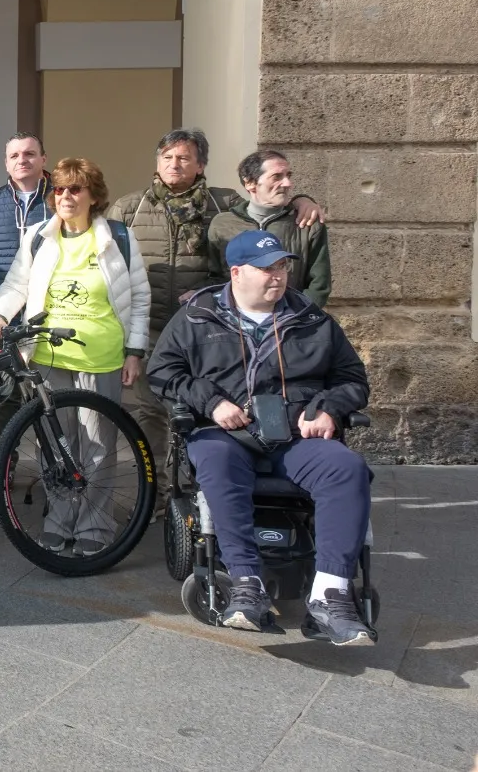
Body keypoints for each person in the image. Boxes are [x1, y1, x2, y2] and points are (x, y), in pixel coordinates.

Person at [147, 229, 374, 645]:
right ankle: (246, 585)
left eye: (283, 267)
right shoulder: (197, 317)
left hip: (296, 436)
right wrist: (211, 401)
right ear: (236, 273)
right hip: (226, 433)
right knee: (214, 460)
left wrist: (328, 408)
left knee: (348, 468)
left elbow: (353, 380)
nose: (278, 276)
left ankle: (331, 595)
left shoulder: (313, 320)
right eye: (266, 268)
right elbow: (162, 372)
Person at [108, 128, 324, 469]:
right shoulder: (128, 208)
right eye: (167, 157)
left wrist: (302, 200)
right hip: (148, 325)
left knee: (204, 406)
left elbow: (265, 203)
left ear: (201, 165)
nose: (174, 164)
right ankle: (158, 491)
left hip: (205, 326)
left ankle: (194, 486)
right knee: (151, 410)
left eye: (184, 158)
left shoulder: (224, 205)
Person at [0, 158, 149, 554]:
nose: (66, 197)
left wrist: (135, 351)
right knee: (54, 445)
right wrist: (0, 314)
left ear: (93, 195)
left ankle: (95, 527)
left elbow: (139, 298)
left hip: (102, 356)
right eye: (59, 189)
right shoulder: (40, 237)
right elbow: (16, 283)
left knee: (97, 446)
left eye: (76, 189)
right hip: (48, 358)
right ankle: (60, 519)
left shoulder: (118, 238)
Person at [210, 149, 331, 307]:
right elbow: (214, 276)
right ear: (250, 183)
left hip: (293, 321)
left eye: (288, 175)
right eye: (277, 177)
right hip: (235, 321)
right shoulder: (223, 224)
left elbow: (319, 284)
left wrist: (300, 317)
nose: (288, 183)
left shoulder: (307, 223)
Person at [0, 133, 52, 315]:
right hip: (0, 310)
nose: (22, 160)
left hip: (50, 310)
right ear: (6, 164)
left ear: (43, 159)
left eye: (29, 154)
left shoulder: (60, 201)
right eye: (14, 156)